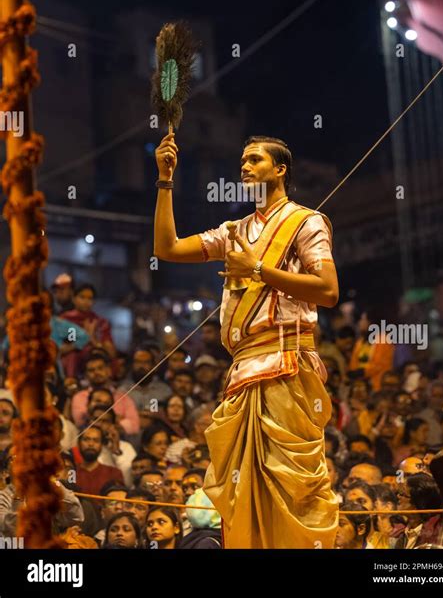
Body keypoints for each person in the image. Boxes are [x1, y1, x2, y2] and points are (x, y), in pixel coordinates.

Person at [154, 132, 339, 548]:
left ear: (280, 169)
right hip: (241, 371)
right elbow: (165, 247)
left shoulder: (305, 221)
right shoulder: (233, 230)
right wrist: (165, 180)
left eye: (254, 159)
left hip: (287, 362)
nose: (244, 167)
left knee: (290, 488)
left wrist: (256, 268)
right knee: (243, 492)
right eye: (241, 161)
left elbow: (327, 290)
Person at [71, 353, 139, 437]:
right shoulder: (79, 397)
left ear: (109, 371)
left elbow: (134, 426)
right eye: (91, 370)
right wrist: (116, 419)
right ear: (86, 375)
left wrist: (104, 421)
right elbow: (80, 422)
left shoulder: (123, 398)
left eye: (100, 368)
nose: (96, 372)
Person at [60, 284, 117, 360]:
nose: (86, 301)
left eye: (90, 298)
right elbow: (55, 349)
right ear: (73, 299)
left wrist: (93, 340)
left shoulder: (101, 322)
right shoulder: (64, 320)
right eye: (82, 297)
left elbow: (112, 354)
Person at [349, 307, 394, 391]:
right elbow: (353, 363)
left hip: (377, 387)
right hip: (360, 386)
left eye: (363, 319)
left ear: (371, 322)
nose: (360, 323)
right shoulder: (360, 342)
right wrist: (353, 373)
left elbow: (379, 365)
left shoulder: (383, 340)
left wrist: (362, 372)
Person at [75, 427, 124, 496]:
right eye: (86, 439)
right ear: (78, 443)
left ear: (102, 445)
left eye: (96, 440)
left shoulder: (114, 473)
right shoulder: (72, 472)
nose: (91, 444)